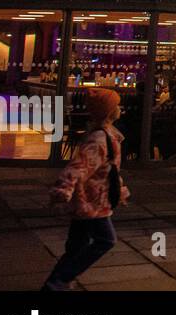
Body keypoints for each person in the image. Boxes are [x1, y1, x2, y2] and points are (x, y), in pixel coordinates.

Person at [42, 88, 130, 291]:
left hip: (92, 198)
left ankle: (57, 282)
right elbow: (79, 166)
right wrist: (64, 189)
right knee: (106, 240)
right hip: (91, 200)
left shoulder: (106, 136)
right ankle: (58, 281)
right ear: (109, 112)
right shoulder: (100, 140)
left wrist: (119, 190)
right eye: (116, 105)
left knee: (77, 246)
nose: (119, 109)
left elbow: (109, 170)